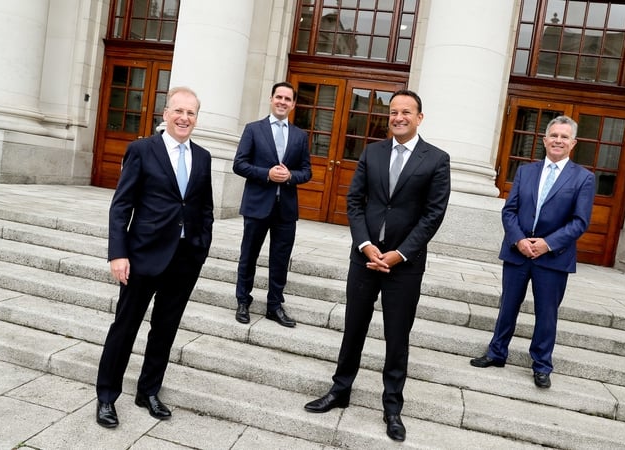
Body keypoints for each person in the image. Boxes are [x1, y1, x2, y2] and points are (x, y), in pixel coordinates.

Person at [304, 90, 451, 442]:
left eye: (406, 112)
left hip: (405, 264)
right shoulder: (372, 152)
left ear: (419, 117)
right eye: (393, 112)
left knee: (396, 335)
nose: (398, 117)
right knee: (353, 326)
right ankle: (340, 391)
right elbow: (354, 201)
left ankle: (392, 406)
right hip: (364, 258)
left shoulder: (437, 159)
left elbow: (433, 214)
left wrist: (400, 253)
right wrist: (366, 244)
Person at [95, 87, 214, 428]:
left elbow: (203, 207)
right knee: (125, 326)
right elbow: (121, 205)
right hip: (142, 256)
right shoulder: (142, 150)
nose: (184, 118)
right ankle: (106, 396)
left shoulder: (203, 157)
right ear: (165, 114)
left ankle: (148, 391)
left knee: (165, 329)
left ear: (196, 118)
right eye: (178, 111)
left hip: (184, 259)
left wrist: (201, 248)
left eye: (190, 113)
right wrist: (118, 254)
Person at [470, 115, 595, 389]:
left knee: (546, 313)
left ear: (573, 143)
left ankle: (541, 365)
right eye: (554, 135)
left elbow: (579, 221)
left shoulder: (584, 178)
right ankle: (496, 352)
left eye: (564, 137)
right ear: (544, 140)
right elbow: (510, 211)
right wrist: (519, 240)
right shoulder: (526, 172)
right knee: (508, 306)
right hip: (518, 253)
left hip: (553, 258)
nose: (558, 140)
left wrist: (546, 244)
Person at [233, 81, 312, 327]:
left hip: (286, 209)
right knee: (249, 255)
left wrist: (290, 177)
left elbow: (306, 171)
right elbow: (239, 164)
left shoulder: (300, 135)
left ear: (293, 104)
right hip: (257, 205)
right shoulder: (253, 129)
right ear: (271, 99)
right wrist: (267, 173)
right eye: (279, 97)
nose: (282, 102)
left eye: (288, 99)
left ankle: (274, 306)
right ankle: (243, 301)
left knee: (280, 259)